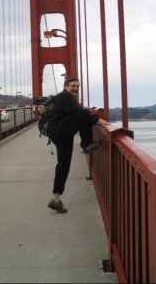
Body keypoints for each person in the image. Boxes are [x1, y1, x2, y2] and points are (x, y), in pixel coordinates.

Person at [47, 77, 110, 213]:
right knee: (84, 115)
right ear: (66, 86)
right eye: (73, 86)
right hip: (60, 133)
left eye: (77, 86)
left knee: (63, 165)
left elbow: (75, 111)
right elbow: (78, 113)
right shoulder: (66, 96)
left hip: (59, 133)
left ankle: (56, 200)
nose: (76, 88)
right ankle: (86, 146)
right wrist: (98, 120)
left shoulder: (64, 97)